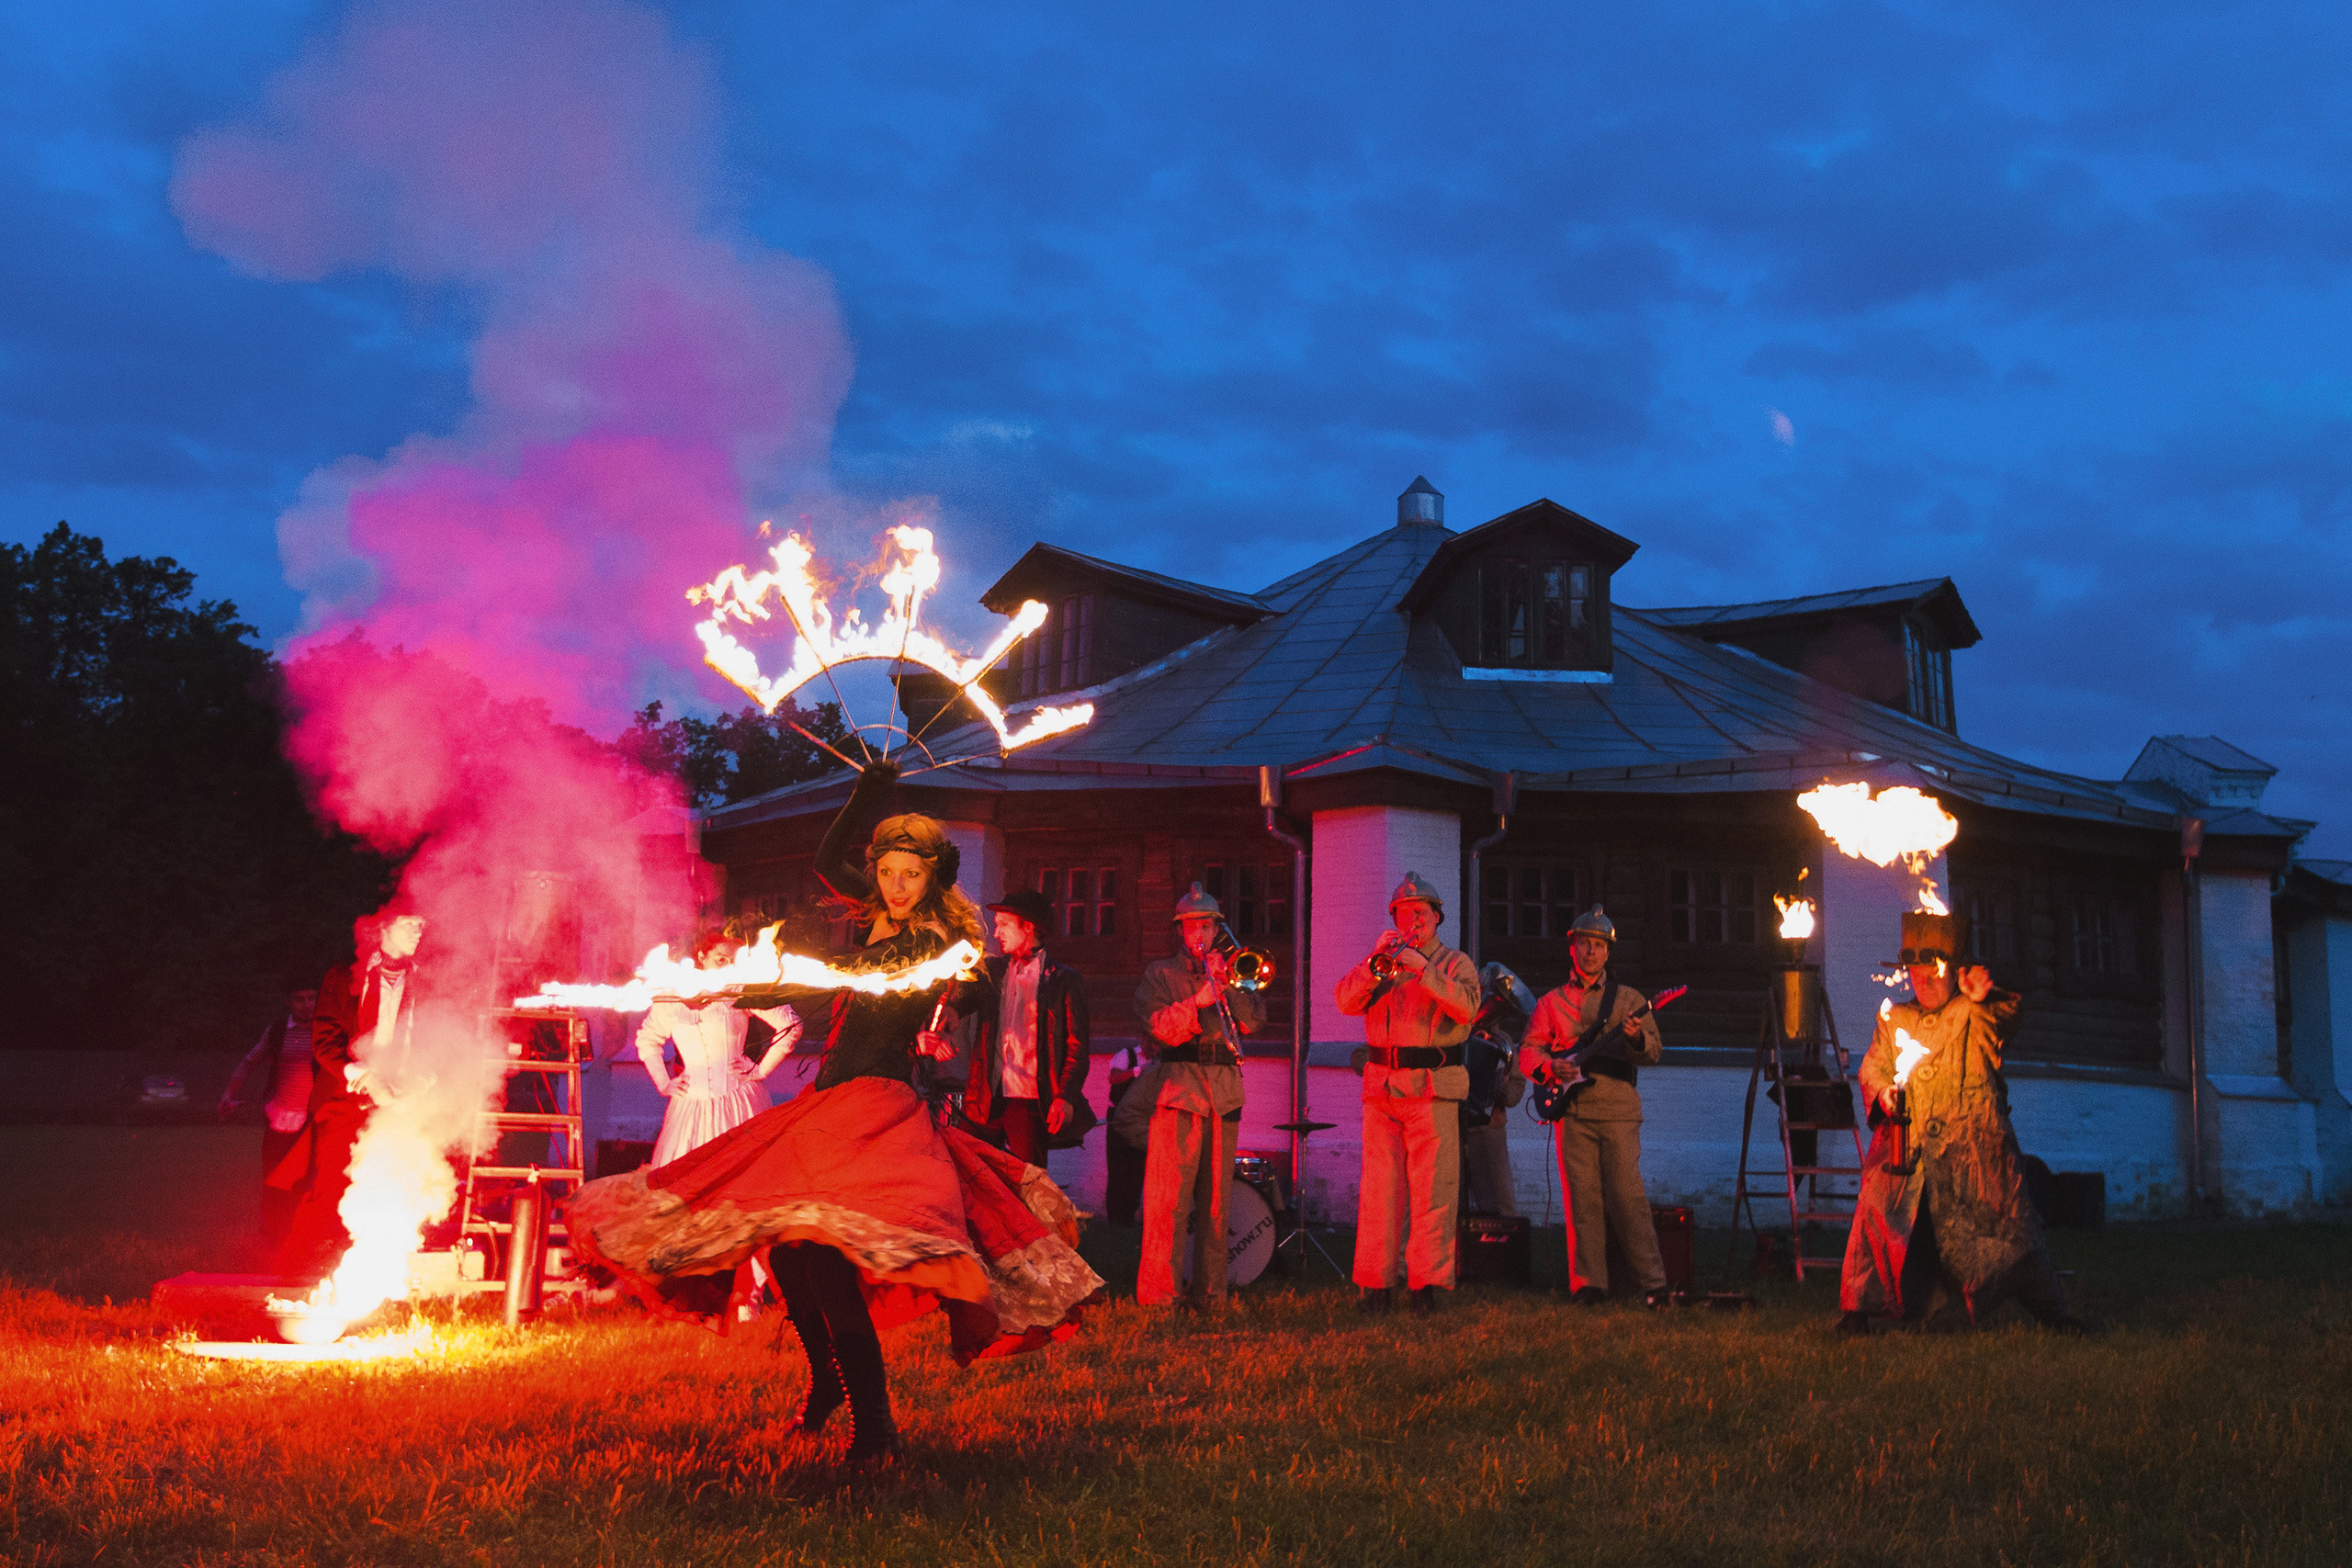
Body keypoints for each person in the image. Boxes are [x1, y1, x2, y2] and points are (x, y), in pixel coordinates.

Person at [565, 761, 1103, 1469]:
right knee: (788, 1249)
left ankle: (875, 1428)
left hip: (877, 1110)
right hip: (828, 1103)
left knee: (821, 1256)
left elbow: (922, 982)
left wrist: (938, 1020)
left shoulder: (935, 942)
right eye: (888, 871)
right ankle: (827, 1383)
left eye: (912, 874)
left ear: (933, 879)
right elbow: (826, 861)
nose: (896, 884)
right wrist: (864, 795)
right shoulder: (879, 919)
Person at [1836, 911, 2079, 1336]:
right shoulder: (1894, 1018)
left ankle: (2054, 1315)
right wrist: (1884, 1092)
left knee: (2010, 1227)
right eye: (1916, 976)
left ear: (1951, 973)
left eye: (1933, 975)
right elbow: (1874, 1067)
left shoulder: (1973, 1012)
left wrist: (1985, 998)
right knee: (1878, 1216)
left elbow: (2005, 1019)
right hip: (1906, 1149)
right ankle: (1857, 1315)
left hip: (1973, 1146)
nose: (1924, 984)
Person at [1336, 873, 1482, 1314]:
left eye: (1420, 912)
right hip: (1383, 1088)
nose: (1411, 921)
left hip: (1432, 1088)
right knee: (1379, 1193)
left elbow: (1467, 1009)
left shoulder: (1455, 963)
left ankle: (1424, 1286)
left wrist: (1424, 970)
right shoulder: (1383, 960)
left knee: (1433, 1190)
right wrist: (1371, 965)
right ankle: (1376, 1284)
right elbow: (1344, 1001)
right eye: (1402, 914)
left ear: (1437, 917)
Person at [1518, 906, 1669, 1306]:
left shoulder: (1630, 999)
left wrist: (1636, 1038)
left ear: (1608, 952)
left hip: (1618, 1110)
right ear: (1572, 948)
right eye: (1585, 943)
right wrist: (1550, 1067)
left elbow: (1654, 1052)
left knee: (1628, 1198)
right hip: (1573, 1113)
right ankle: (1588, 1285)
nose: (1591, 952)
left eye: (1599, 946)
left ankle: (1653, 1283)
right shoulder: (1550, 1003)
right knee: (1581, 1201)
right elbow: (1528, 1051)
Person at [271, 906, 431, 1281]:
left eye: (421, 925)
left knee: (400, 1184)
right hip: (346, 1098)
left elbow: (438, 1039)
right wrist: (364, 1077)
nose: (418, 931)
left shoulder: (426, 980)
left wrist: (422, 1082)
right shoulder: (343, 977)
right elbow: (325, 1041)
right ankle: (292, 1275)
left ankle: (379, 1274)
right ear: (383, 928)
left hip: (402, 1101)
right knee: (328, 1187)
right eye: (409, 923)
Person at [1125, 883, 1262, 1308]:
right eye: (1191, 927)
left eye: (1206, 926)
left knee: (1217, 1204)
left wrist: (1230, 986)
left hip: (1224, 1092)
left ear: (1218, 930)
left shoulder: (1233, 970)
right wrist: (1197, 1001)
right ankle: (1159, 1296)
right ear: (1180, 932)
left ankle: (1212, 1295)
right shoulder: (1160, 974)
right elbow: (1157, 1028)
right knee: (1168, 1200)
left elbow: (1253, 1023)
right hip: (1179, 1090)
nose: (1199, 934)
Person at [635, 930, 804, 1168]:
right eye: (721, 959)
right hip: (689, 1107)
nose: (728, 967)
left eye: (733, 961)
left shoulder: (738, 991)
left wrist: (761, 1070)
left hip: (739, 1104)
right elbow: (647, 1040)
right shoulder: (671, 997)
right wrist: (663, 1083)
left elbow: (791, 1024)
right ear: (702, 957)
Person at [965, 889, 1093, 1168]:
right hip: (985, 1098)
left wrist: (1065, 1096)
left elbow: (1077, 1047)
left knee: (1029, 1180)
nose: (996, 933)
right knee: (974, 1175)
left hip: (1027, 1100)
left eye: (1004, 924)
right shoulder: (992, 972)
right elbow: (959, 1002)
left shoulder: (1063, 980)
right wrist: (943, 1024)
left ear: (1028, 927)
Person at [220, 985, 321, 1249]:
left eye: (311, 998)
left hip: (311, 1122)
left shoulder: (324, 1031)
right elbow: (250, 1061)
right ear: (289, 1001)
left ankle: (301, 1240)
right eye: (299, 999)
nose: (306, 1005)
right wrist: (228, 1094)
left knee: (305, 1184)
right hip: (279, 1117)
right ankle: (274, 1239)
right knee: (274, 1182)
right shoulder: (278, 1032)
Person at [1461, 963, 1533, 1218]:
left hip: (1489, 1128)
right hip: (1451, 1126)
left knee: (1500, 1204)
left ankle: (1501, 1242)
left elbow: (1517, 1086)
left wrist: (1503, 1092)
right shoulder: (1451, 1031)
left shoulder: (1504, 1042)